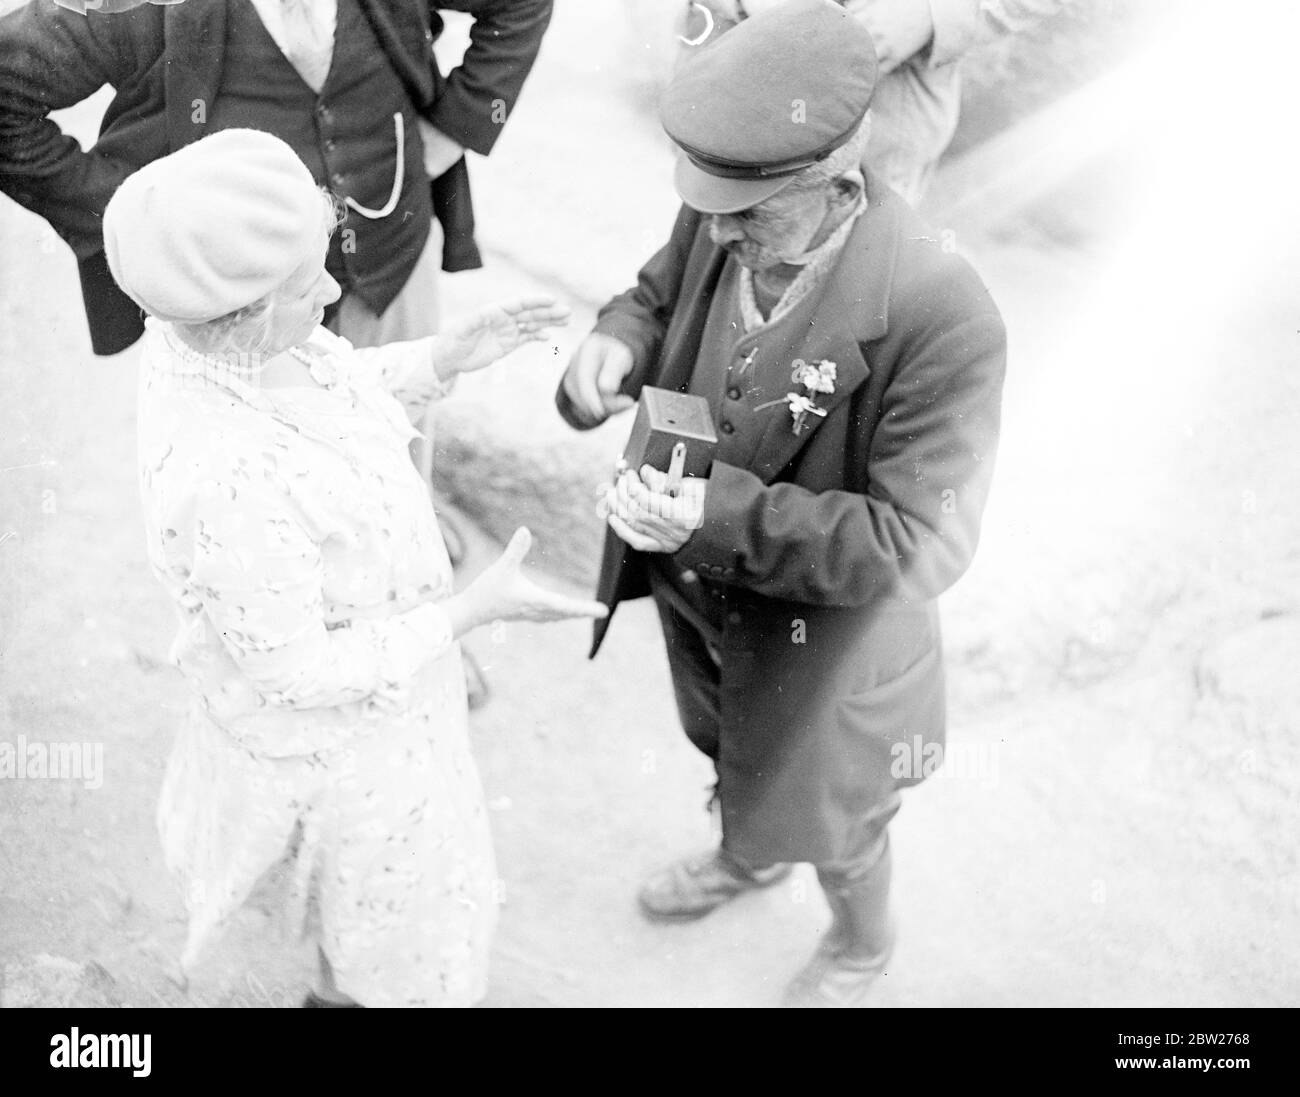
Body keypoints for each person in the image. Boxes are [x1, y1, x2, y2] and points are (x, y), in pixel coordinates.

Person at [558, 0, 1006, 1007]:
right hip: (698, 606)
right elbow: (659, 288)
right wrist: (618, 340)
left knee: (842, 819)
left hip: (830, 658)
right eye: (707, 206)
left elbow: (922, 544)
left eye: (747, 217)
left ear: (838, 177)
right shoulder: (729, 199)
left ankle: (858, 941)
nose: (718, 231)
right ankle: (749, 850)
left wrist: (716, 514)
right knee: (725, 747)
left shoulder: (944, 312)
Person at [106, 128, 605, 1007]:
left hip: (387, 706)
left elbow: (326, 383)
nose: (336, 291)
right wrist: (470, 611)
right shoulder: (223, 481)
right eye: (309, 287)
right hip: (340, 752)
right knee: (371, 928)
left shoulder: (226, 344)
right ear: (247, 312)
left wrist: (440, 358)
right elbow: (296, 672)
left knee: (361, 916)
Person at [0, 0, 553, 356]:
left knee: (396, 438)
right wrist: (131, 216)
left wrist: (452, 133)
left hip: (390, 261)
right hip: (232, 314)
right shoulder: (142, 7)